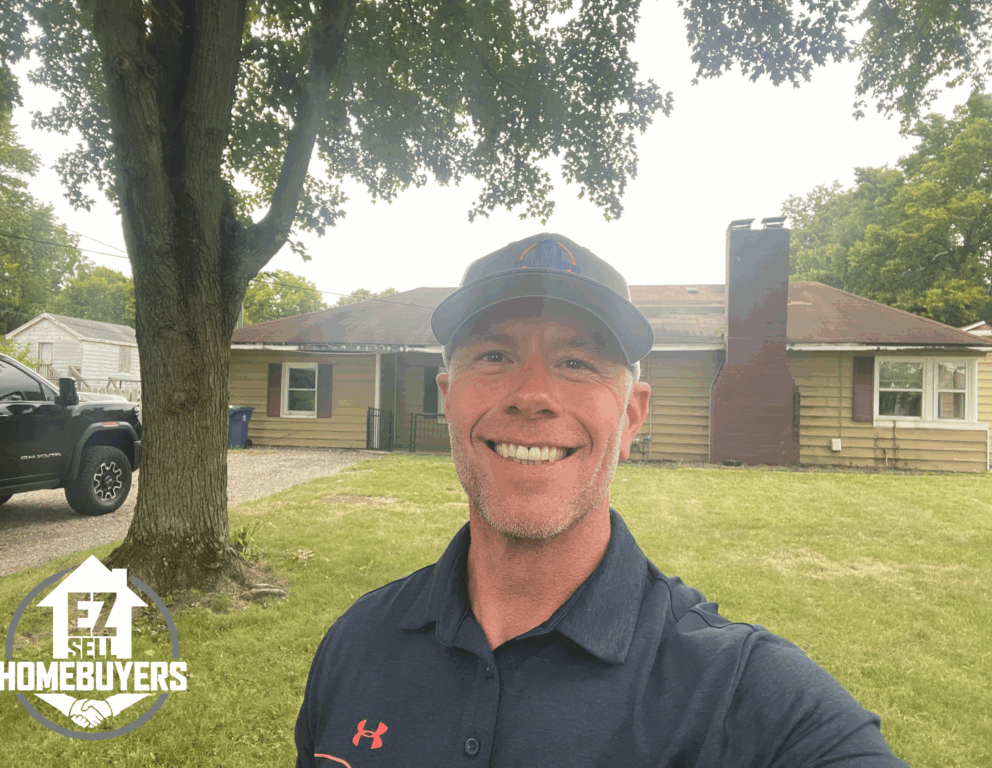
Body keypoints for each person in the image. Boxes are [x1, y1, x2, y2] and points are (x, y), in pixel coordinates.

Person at [295, 233, 906, 766]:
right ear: (449, 398)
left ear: (631, 418)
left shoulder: (739, 692)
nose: (532, 394)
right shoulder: (356, 643)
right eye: (494, 355)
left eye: (576, 361)